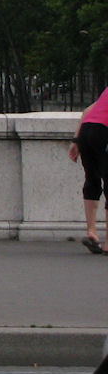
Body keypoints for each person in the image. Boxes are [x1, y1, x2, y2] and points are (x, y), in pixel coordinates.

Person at [69, 86, 108, 253]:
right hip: (103, 131)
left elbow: (87, 111)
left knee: (92, 180)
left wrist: (76, 141)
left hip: (86, 131)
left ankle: (92, 231)